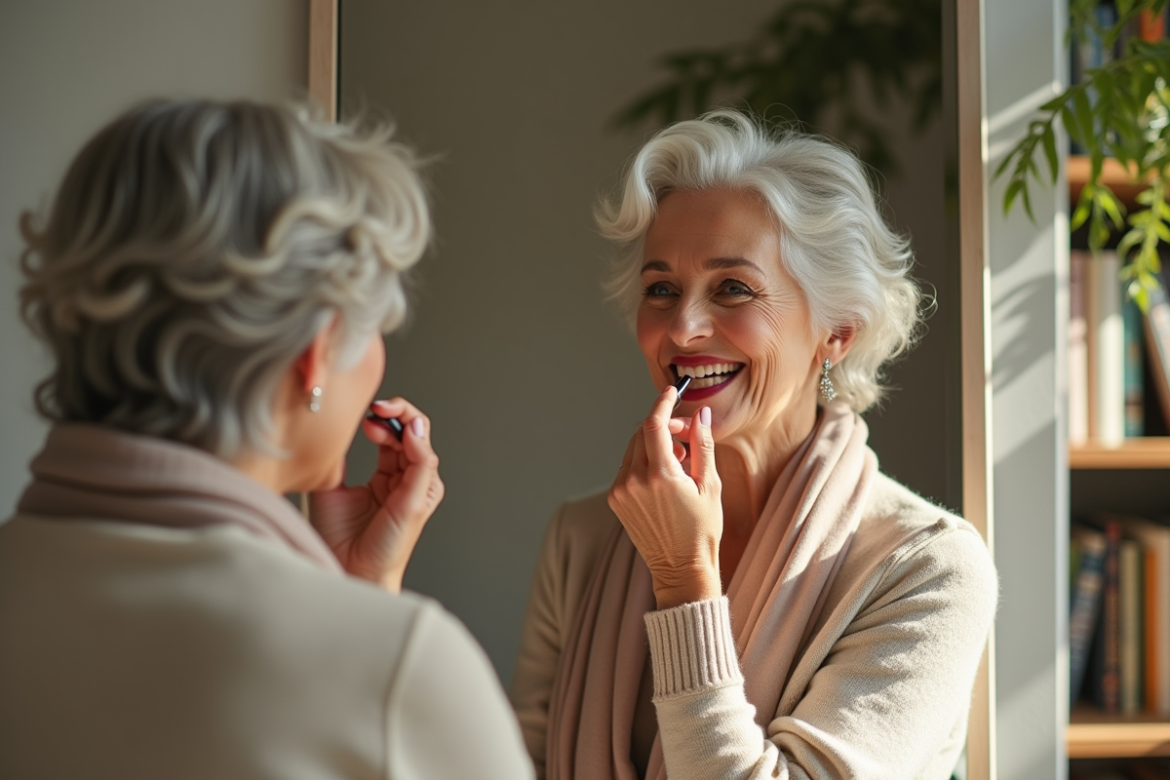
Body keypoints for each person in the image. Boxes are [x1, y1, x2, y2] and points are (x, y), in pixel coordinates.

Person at [0, 99, 533, 780]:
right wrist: (363, 626)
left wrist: (347, 592)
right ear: (316, 354)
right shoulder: (404, 669)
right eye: (374, 330)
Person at [510, 111, 998, 780]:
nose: (682, 328)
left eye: (733, 288)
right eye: (661, 289)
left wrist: (684, 582)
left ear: (838, 330)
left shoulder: (928, 567)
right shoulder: (582, 538)